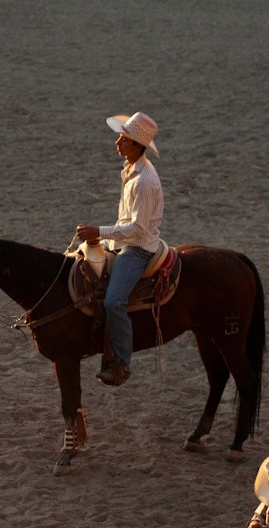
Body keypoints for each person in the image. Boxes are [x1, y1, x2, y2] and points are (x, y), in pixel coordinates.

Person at [75, 111, 164, 388]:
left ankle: (122, 362)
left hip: (138, 248)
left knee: (114, 301)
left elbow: (137, 229)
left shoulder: (145, 181)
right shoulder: (131, 170)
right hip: (124, 240)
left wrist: (98, 233)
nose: (117, 143)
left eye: (123, 139)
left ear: (138, 146)